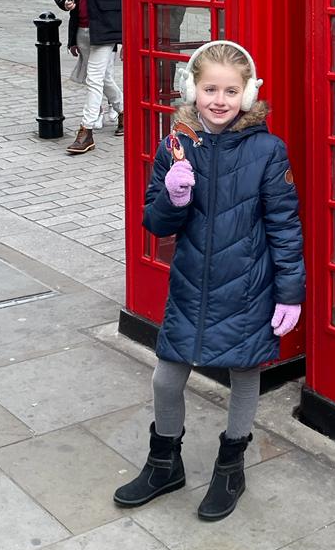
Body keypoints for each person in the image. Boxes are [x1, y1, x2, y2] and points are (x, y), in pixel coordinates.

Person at [113, 39, 304, 521]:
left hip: (248, 285)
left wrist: (290, 293)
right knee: (166, 377)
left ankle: (230, 467)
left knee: (244, 373)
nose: (219, 100)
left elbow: (284, 225)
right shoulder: (175, 145)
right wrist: (172, 198)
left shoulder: (268, 150)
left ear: (249, 94)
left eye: (231, 91)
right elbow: (155, 224)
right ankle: (164, 463)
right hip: (191, 284)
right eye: (210, 89)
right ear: (191, 90)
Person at [53, 0, 124, 154]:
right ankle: (123, 111)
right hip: (82, 26)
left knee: (94, 78)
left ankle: (86, 130)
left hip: (105, 28)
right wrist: (64, 1)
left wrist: (125, 34)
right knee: (103, 78)